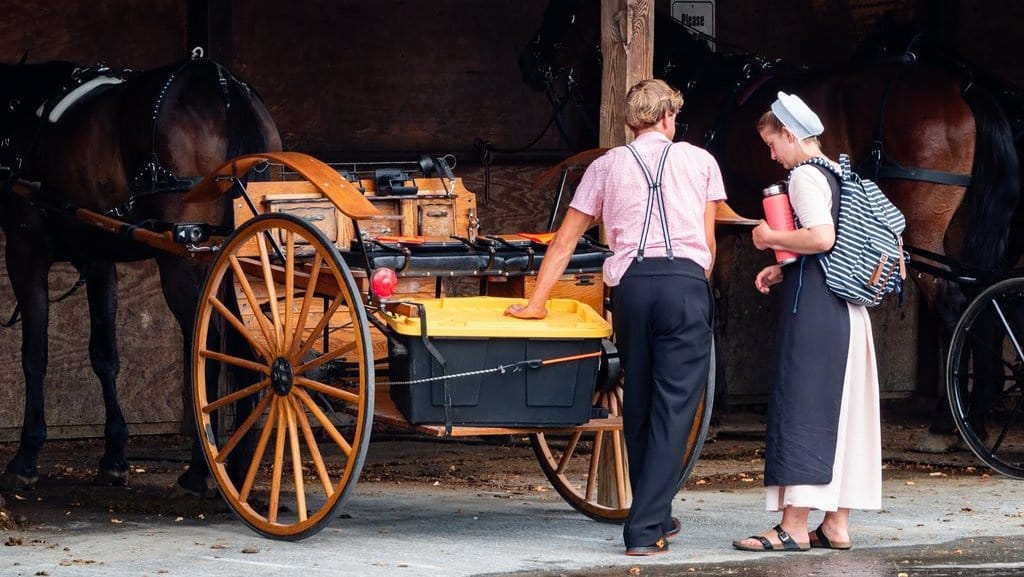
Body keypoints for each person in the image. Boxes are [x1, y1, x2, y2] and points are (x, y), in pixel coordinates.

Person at [505, 78, 725, 556]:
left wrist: (536, 302)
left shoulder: (606, 166)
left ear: (630, 122)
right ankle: (644, 530)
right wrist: (693, 287)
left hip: (631, 290)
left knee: (640, 402)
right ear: (668, 118)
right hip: (684, 286)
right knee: (674, 410)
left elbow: (563, 241)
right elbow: (707, 248)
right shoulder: (701, 161)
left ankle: (658, 516)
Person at [732, 92, 882, 552]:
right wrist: (783, 266)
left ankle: (792, 526)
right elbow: (831, 248)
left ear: (790, 135)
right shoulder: (840, 174)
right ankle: (835, 524)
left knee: (803, 406)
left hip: (818, 314)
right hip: (847, 312)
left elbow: (821, 236)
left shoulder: (802, 177)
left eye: (772, 143)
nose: (771, 154)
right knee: (845, 414)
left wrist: (768, 236)